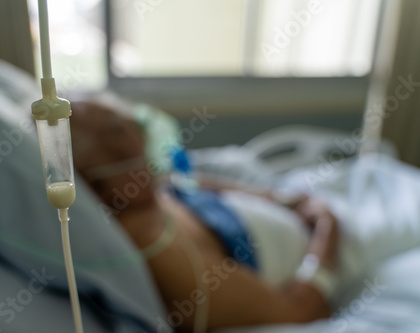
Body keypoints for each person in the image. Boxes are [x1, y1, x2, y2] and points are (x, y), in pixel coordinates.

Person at [69, 100, 419, 332]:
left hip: (315, 213)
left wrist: (286, 199)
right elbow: (297, 314)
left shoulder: (142, 192)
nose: (138, 124)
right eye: (117, 128)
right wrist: (326, 231)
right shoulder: (162, 252)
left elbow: (190, 183)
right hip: (335, 250)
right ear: (100, 186)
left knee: (378, 171)